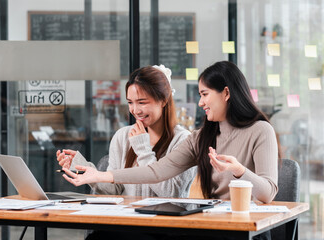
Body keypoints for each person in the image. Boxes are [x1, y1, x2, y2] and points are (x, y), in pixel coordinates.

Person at [61, 61, 279, 206]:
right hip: (213, 226)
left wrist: (239, 170)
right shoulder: (201, 137)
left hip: (248, 230)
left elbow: (268, 193)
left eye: (204, 94)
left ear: (226, 93)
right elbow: (157, 171)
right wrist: (100, 175)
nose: (200, 102)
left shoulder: (261, 131)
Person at [57, 64, 197, 198]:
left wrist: (143, 149)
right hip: (129, 219)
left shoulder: (184, 140)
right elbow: (114, 191)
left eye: (142, 102)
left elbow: (173, 194)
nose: (135, 110)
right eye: (130, 102)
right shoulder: (122, 136)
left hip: (164, 222)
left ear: (163, 100)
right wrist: (85, 169)